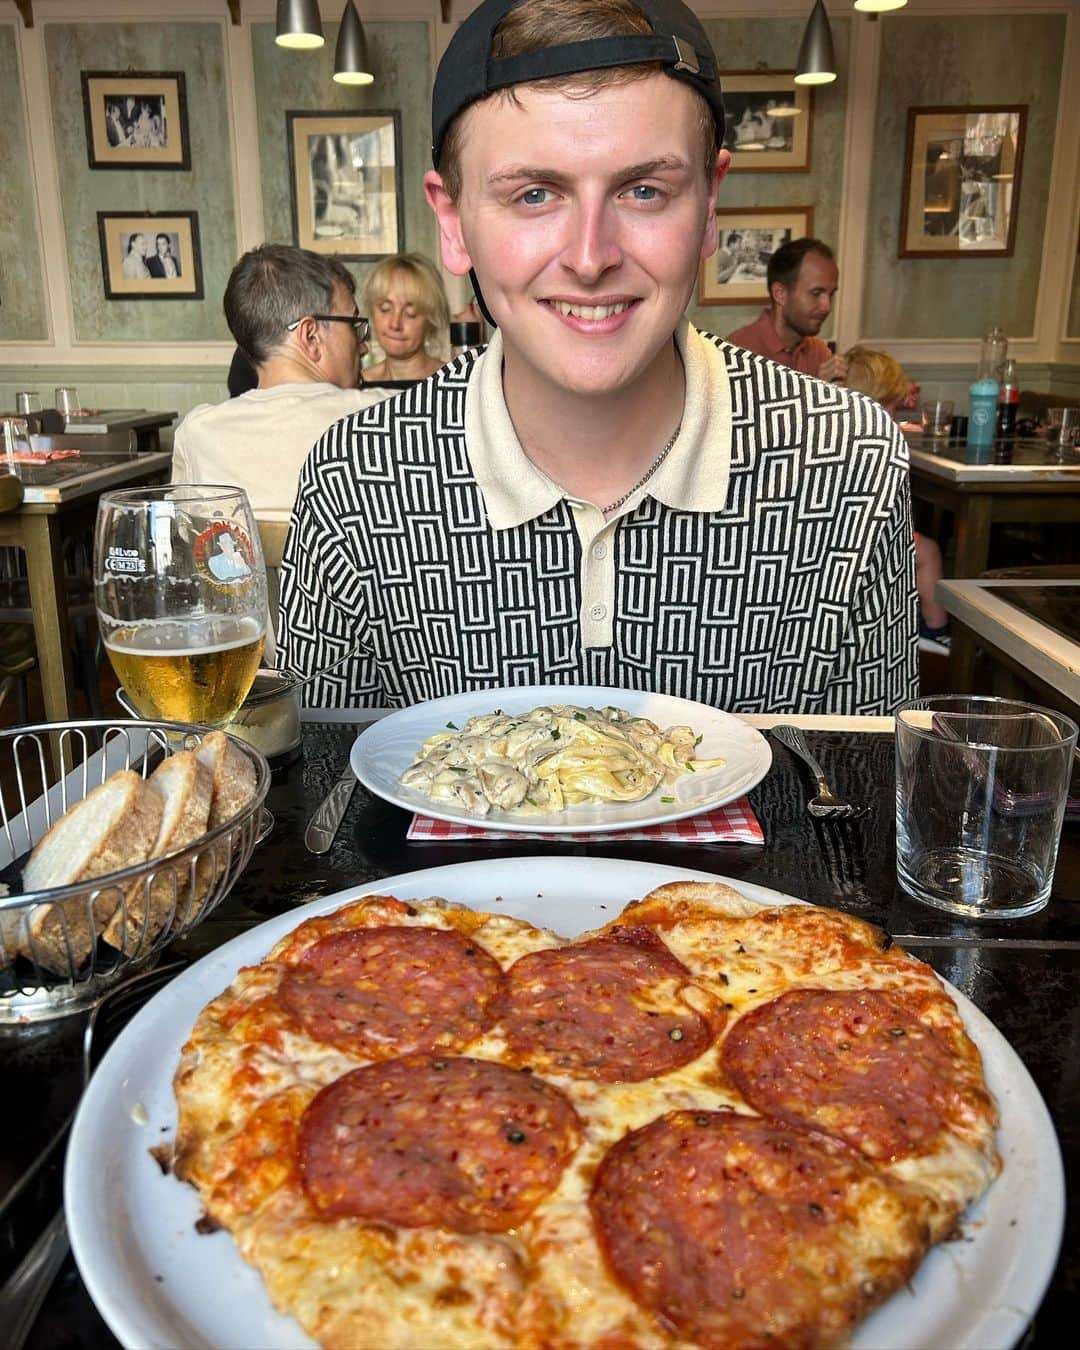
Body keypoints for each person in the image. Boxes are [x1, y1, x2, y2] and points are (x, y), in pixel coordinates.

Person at [278, 0, 917, 714]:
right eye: (533, 194)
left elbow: (862, 807)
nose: (589, 259)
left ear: (709, 208)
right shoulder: (355, 480)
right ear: (453, 222)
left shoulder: (851, 462)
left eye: (644, 191)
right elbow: (321, 809)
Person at [171, 243, 384, 522]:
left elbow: (186, 540)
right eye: (353, 325)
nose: (363, 346)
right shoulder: (384, 415)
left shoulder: (197, 432)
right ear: (310, 336)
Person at [845, 346, 951, 655]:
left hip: (846, 531)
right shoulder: (876, 436)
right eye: (891, 407)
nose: (894, 416)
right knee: (927, 551)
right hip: (861, 537)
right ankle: (936, 632)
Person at [726, 237, 848, 382]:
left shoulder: (820, 353)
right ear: (780, 294)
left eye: (831, 293)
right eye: (816, 293)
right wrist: (817, 392)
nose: (827, 306)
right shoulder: (735, 354)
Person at [362, 252, 452, 385]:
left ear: (432, 319)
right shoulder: (359, 385)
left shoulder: (450, 381)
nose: (395, 324)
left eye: (411, 313)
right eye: (385, 309)